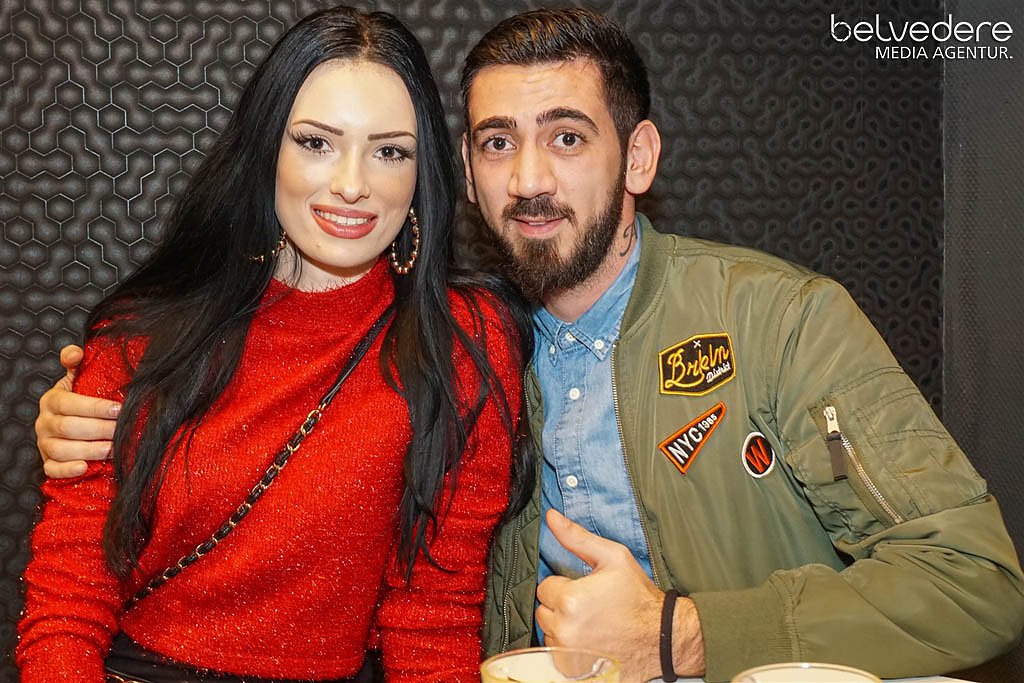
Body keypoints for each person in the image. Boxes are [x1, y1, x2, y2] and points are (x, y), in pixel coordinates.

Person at [33, 6, 1024, 683]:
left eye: (568, 137)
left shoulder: (775, 319)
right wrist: (106, 410)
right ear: (466, 173)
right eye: (498, 142)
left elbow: (976, 581)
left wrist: (681, 634)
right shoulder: (476, 345)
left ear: (638, 157)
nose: (530, 179)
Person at [18, 5, 530, 682]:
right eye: (316, 142)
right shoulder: (145, 332)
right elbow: (69, 596)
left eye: (389, 151)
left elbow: (433, 620)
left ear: (420, 175)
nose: (352, 184)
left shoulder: (463, 343)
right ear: (267, 149)